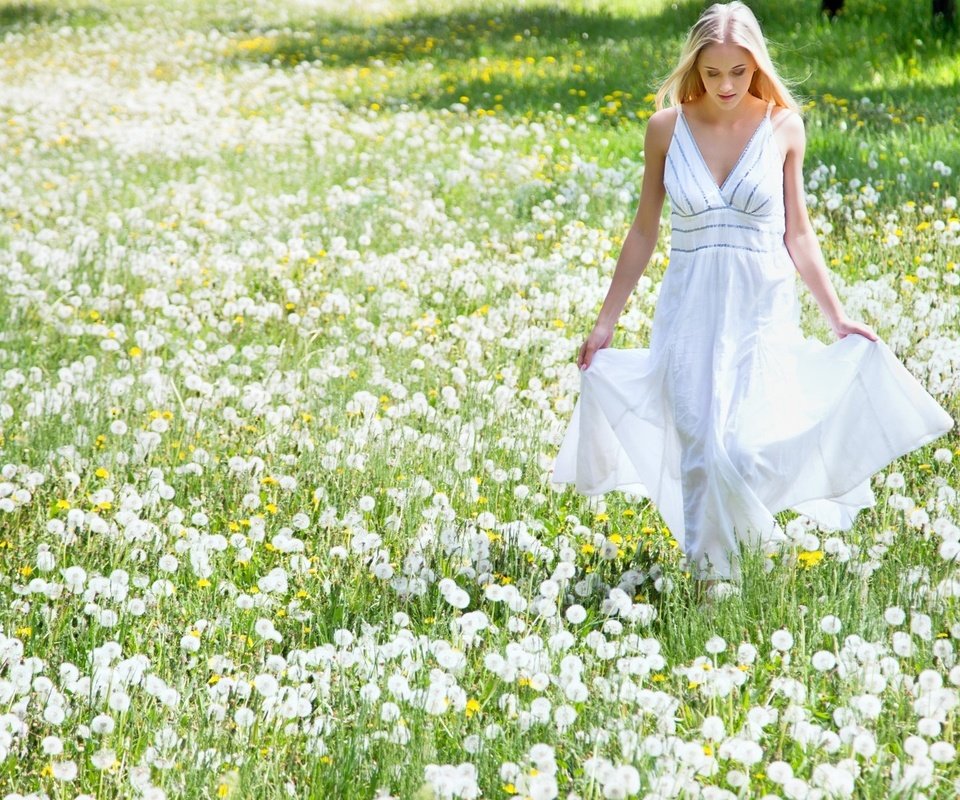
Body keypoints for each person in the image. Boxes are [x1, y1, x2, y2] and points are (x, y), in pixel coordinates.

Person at [549, 1, 954, 598]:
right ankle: (715, 585)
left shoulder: (784, 126)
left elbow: (798, 231)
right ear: (696, 68)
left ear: (756, 65)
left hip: (759, 308)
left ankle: (748, 555)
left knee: (740, 447)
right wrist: (607, 322)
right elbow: (642, 230)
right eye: (713, 73)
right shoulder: (665, 128)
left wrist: (837, 315)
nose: (726, 85)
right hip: (688, 308)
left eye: (738, 71)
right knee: (698, 446)